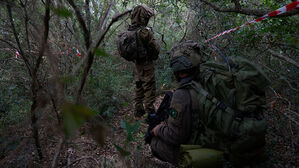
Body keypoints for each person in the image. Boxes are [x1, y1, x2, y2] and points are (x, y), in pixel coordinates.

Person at [149, 41, 268, 167]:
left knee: (155, 143)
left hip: (225, 149)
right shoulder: (213, 78)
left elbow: (176, 136)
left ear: (176, 69)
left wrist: (158, 130)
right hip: (247, 144)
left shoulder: (183, 93)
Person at [129, 5, 160, 117]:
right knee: (149, 87)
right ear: (143, 17)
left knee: (139, 86)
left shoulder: (131, 31)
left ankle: (138, 110)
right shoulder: (145, 32)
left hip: (137, 64)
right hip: (147, 64)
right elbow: (156, 49)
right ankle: (150, 113)